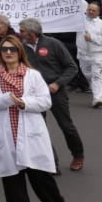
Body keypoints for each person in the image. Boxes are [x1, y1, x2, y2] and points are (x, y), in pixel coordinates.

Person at [0, 34, 67, 202]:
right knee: (12, 178)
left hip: (30, 132)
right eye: (5, 49)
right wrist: (6, 99)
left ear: (20, 51)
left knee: (40, 176)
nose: (8, 53)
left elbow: (45, 101)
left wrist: (24, 103)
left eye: (12, 49)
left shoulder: (33, 75)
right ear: (0, 53)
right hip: (6, 132)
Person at [18, 17, 83, 171]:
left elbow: (72, 68)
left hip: (55, 92)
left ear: (32, 32)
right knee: (39, 129)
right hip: (34, 95)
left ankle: (78, 155)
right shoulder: (21, 48)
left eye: (22, 31)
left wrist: (57, 83)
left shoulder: (53, 44)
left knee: (66, 126)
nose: (19, 34)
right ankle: (51, 162)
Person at [78, 1, 102, 108]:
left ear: (98, 12)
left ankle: (97, 98)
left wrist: (93, 38)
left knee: (96, 75)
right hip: (83, 54)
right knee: (89, 76)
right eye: (89, 9)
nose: (91, 12)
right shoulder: (80, 21)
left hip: (96, 54)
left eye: (94, 10)